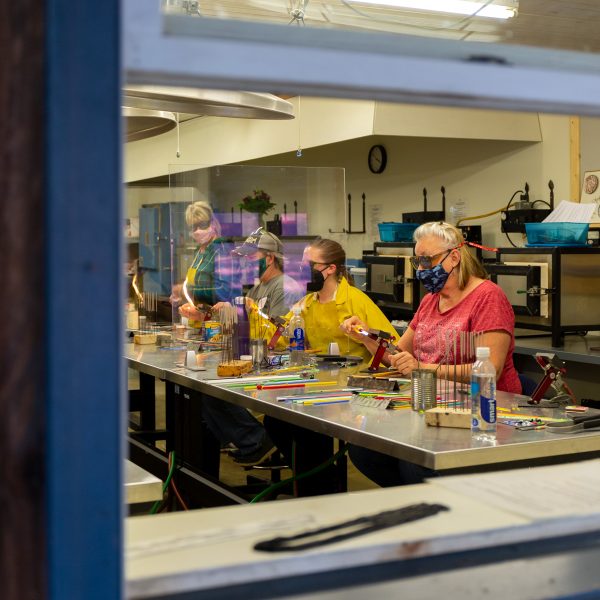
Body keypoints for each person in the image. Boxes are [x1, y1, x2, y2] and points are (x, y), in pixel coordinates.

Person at [341, 221, 521, 487]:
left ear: (455, 257)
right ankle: (415, 509)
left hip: (481, 413)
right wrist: (366, 336)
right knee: (364, 449)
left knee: (416, 465)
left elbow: (489, 371)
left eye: (428, 260)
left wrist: (423, 368)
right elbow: (398, 355)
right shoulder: (430, 301)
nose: (423, 269)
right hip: (431, 409)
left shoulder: (487, 298)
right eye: (418, 261)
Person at [262, 238, 398, 496]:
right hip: (320, 383)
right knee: (275, 420)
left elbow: (392, 348)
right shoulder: (308, 303)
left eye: (309, 264)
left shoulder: (355, 301)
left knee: (305, 426)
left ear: (331, 268)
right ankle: (317, 482)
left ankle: (320, 489)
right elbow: (278, 336)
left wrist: (364, 334)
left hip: (353, 386)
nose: (303, 269)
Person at [201, 229, 304, 466]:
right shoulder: (258, 288)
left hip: (279, 362)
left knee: (216, 391)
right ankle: (244, 440)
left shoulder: (285, 287)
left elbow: (281, 335)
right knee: (204, 389)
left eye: (251, 257)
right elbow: (250, 326)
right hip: (256, 357)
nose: (245, 262)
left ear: (269, 258)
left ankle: (258, 440)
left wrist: (250, 311)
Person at [170, 200, 238, 322]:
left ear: (212, 223)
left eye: (202, 225)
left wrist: (187, 291)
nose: (197, 231)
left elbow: (222, 291)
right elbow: (197, 285)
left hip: (217, 323)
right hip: (198, 322)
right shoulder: (199, 252)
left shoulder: (221, 250)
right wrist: (183, 296)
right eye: (193, 227)